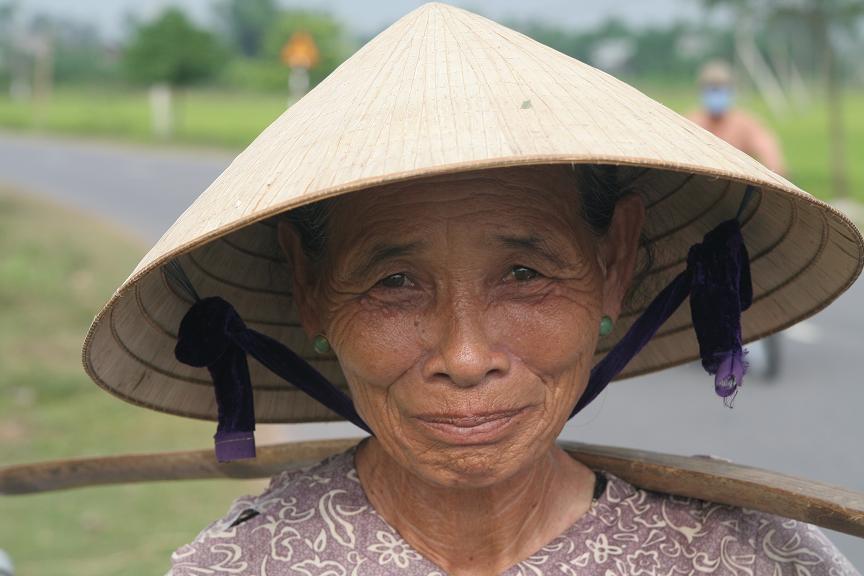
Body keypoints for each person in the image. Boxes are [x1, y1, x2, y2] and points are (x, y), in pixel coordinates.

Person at [81, 4, 861, 575]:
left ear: (615, 265)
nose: (464, 355)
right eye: (393, 283)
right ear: (309, 288)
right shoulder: (242, 567)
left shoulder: (755, 560)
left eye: (524, 275)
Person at [689, 60, 787, 379]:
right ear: (703, 92)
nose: (716, 95)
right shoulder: (692, 124)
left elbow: (768, 148)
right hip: (702, 210)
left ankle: (769, 324)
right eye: (711, 89)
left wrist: (775, 177)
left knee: (763, 262)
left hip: (740, 210)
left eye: (722, 89)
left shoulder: (743, 124)